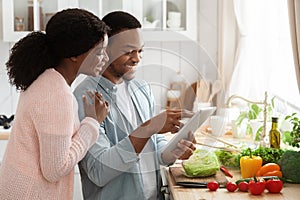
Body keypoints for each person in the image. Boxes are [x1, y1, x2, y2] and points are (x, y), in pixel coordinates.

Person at [73, 11, 196, 200]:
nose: (137, 58)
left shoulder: (141, 88)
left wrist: (172, 152)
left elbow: (151, 147)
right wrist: (149, 128)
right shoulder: (86, 97)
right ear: (104, 50)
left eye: (140, 51)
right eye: (128, 51)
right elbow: (99, 171)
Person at [0, 8, 110, 199]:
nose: (106, 59)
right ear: (74, 54)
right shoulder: (57, 94)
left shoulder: (47, 79)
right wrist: (92, 123)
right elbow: (55, 169)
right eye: (100, 52)